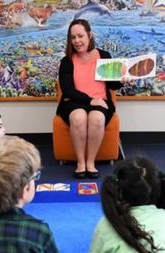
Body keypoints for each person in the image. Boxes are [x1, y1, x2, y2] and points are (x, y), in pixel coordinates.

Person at [56, 19, 123, 179]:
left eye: (80, 36)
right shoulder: (67, 61)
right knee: (78, 118)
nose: (77, 41)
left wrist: (120, 80)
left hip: (101, 101)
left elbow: (113, 85)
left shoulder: (104, 56)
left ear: (90, 35)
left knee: (97, 118)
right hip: (73, 102)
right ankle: (81, 163)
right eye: (73, 37)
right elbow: (68, 90)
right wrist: (90, 101)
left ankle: (90, 163)